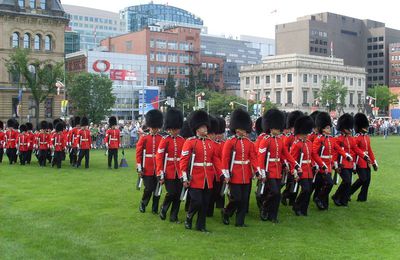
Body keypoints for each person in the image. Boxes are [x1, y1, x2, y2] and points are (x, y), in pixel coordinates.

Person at [179, 110, 223, 232]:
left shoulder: (210, 143)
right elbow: (184, 160)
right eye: (203, 127)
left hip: (207, 178)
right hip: (194, 177)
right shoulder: (190, 142)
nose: (206, 128)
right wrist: (184, 177)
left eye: (205, 126)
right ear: (197, 129)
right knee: (197, 201)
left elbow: (215, 160)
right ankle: (189, 216)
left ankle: (201, 226)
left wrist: (221, 173)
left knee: (205, 204)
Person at [258, 109, 299, 223]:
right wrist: (261, 171)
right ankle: (265, 207)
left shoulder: (280, 140)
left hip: (277, 170)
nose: (277, 130)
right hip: (268, 170)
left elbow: (286, 154)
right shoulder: (266, 140)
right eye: (275, 128)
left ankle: (273, 216)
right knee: (275, 192)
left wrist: (295, 164)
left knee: (277, 194)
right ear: (270, 128)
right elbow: (261, 157)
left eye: (278, 128)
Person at [221, 109, 258, 227]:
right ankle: (226, 212)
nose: (243, 131)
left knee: (244, 199)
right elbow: (225, 159)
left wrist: (257, 170)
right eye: (241, 129)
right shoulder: (230, 142)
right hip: (235, 173)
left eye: (244, 129)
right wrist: (226, 174)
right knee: (236, 198)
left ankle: (240, 222)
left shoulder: (249, 143)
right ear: (236, 129)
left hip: (246, 174)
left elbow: (253, 158)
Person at [312, 112, 349, 210]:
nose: (329, 129)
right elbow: (314, 154)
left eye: (329, 127)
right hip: (322, 165)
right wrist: (321, 164)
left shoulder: (330, 139)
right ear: (323, 129)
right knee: (329, 183)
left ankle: (323, 203)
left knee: (323, 184)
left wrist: (346, 155)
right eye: (327, 128)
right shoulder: (319, 139)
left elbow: (338, 148)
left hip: (329, 165)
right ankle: (318, 198)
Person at [290, 116, 326, 216]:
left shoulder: (309, 143)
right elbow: (292, 159)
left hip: (309, 170)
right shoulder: (296, 144)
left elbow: (314, 156)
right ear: (299, 133)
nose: (306, 135)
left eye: (306, 133)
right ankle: (297, 206)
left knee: (308, 190)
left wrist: (321, 165)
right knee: (305, 189)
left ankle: (303, 209)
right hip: (301, 170)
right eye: (304, 133)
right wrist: (294, 172)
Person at [156, 108, 185, 222]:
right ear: (170, 128)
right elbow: (159, 157)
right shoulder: (165, 140)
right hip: (168, 171)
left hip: (179, 171)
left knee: (178, 195)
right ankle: (164, 207)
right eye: (175, 129)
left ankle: (174, 216)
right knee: (171, 193)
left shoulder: (182, 140)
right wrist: (160, 172)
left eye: (177, 128)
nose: (177, 130)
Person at [332, 114, 367, 207]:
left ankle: (343, 200)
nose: (350, 129)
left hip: (350, 164)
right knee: (346, 181)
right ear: (343, 128)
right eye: (348, 128)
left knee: (348, 182)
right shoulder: (338, 139)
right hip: (341, 164)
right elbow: (335, 153)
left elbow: (356, 149)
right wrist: (335, 165)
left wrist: (364, 156)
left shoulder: (350, 139)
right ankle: (336, 196)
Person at [136, 109, 163, 214]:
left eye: (156, 127)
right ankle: (143, 203)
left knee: (158, 188)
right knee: (149, 188)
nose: (154, 129)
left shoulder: (162, 138)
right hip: (147, 167)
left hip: (158, 167)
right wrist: (139, 167)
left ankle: (155, 208)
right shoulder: (144, 137)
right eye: (153, 127)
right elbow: (138, 153)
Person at [350, 113, 378, 202]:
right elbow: (353, 152)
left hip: (367, 161)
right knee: (363, 179)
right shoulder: (356, 138)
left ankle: (362, 198)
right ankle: (348, 192)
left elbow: (369, 151)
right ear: (360, 127)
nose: (366, 128)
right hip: (359, 161)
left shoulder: (367, 137)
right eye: (365, 126)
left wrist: (374, 162)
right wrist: (354, 164)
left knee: (367, 180)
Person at [281, 110, 304, 206]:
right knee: (291, 182)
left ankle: (292, 200)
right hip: (291, 162)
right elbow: (285, 151)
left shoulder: (299, 137)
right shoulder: (289, 137)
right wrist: (286, 163)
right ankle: (285, 195)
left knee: (297, 182)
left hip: (299, 161)